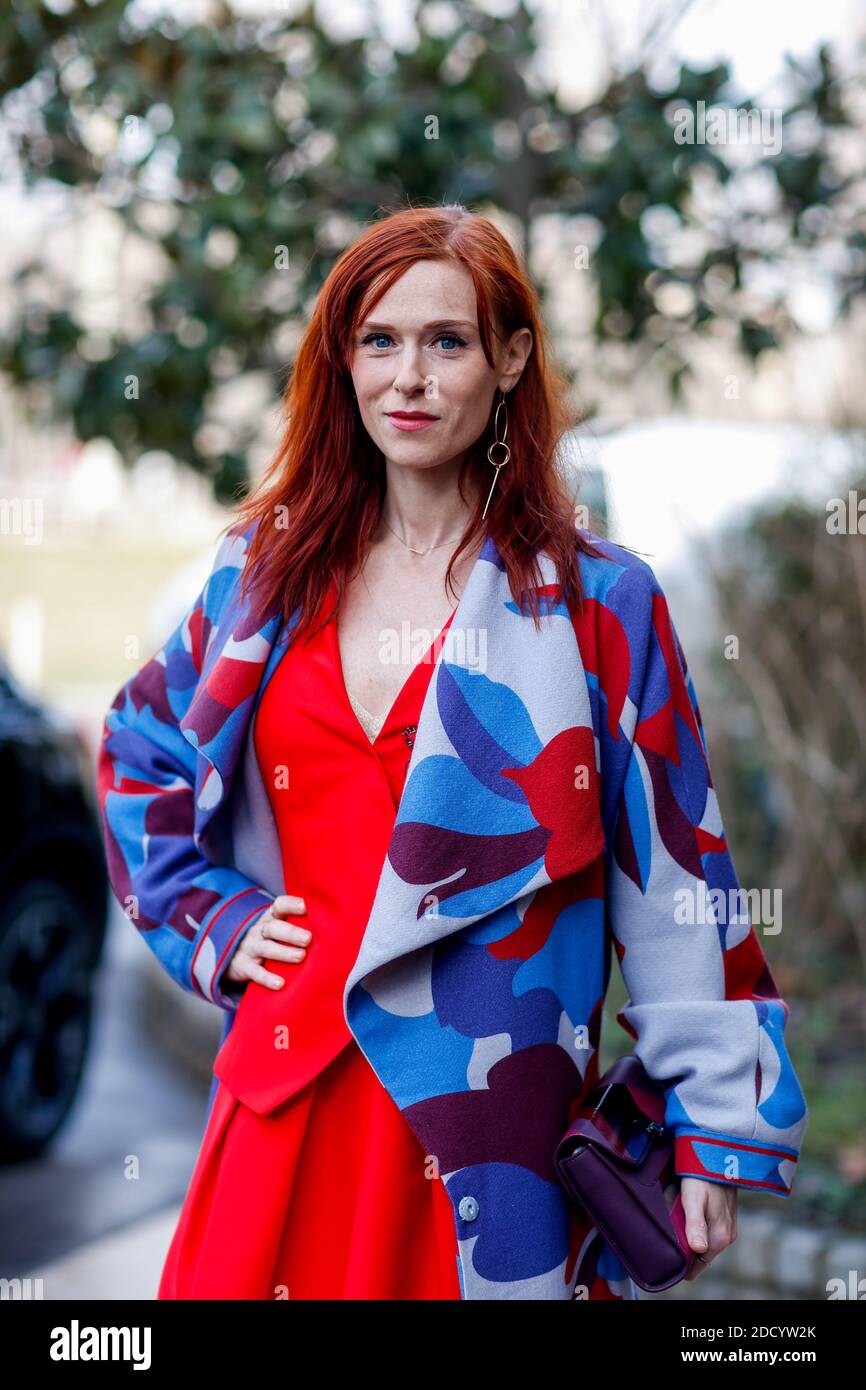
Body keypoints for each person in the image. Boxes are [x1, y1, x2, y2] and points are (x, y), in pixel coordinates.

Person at [97, 203, 808, 1302]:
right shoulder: (264, 576)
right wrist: (214, 917)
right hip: (281, 1110)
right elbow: (140, 745)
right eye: (377, 341)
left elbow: (676, 875)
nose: (407, 379)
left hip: (485, 1145)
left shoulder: (597, 604)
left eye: (446, 341)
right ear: (342, 361)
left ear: (509, 358)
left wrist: (712, 1121)